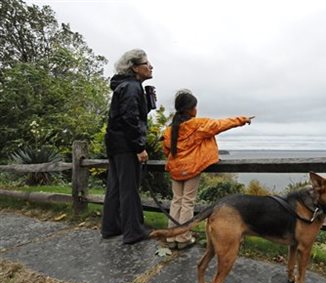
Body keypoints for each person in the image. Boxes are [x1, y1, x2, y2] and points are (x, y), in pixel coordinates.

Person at [162, 89, 253, 249]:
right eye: (195, 107)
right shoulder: (198, 125)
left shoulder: (170, 129)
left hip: (175, 169)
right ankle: (183, 237)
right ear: (190, 108)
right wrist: (242, 120)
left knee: (177, 201)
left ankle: (171, 238)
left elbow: (166, 150)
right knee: (188, 202)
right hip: (191, 169)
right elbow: (220, 125)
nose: (196, 110)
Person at [101, 49, 154, 244]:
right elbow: (130, 119)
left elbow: (127, 115)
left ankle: (111, 227)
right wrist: (140, 147)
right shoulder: (132, 87)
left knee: (115, 187)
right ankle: (134, 232)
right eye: (146, 63)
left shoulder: (123, 86)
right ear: (134, 67)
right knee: (130, 188)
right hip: (126, 146)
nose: (151, 67)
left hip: (115, 144)